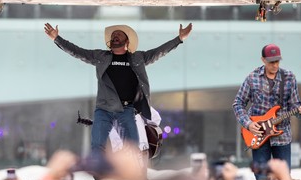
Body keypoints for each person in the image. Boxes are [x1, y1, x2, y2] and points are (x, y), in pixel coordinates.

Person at [44, 23, 192, 157]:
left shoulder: (138, 58)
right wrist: (57, 38)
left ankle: (131, 178)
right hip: (104, 109)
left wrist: (179, 38)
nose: (115, 37)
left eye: (118, 35)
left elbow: (160, 51)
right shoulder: (100, 56)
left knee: (134, 149)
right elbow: (76, 51)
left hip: (127, 109)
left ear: (127, 41)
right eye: (113, 35)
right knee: (97, 146)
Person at [232, 43, 301, 180]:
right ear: (263, 60)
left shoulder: (289, 77)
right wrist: (248, 124)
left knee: (284, 179)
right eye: (271, 61)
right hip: (258, 136)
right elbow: (238, 103)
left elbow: (295, 106)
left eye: (277, 61)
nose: (275, 65)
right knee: (262, 179)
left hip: (282, 137)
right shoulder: (252, 78)